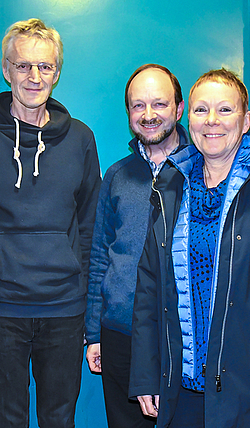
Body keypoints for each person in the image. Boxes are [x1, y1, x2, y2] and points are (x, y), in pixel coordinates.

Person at [129, 69, 250, 427]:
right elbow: (149, 284)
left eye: (225, 110)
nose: (211, 121)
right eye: (201, 110)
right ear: (189, 117)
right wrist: (144, 373)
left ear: (246, 120)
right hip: (181, 391)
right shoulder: (171, 183)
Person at [0, 18, 101, 428]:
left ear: (57, 71)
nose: (34, 77)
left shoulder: (81, 139)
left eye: (46, 67)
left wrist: (90, 308)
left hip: (64, 309)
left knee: (60, 419)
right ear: (6, 70)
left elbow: (90, 228)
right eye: (23, 66)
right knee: (7, 420)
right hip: (1, 310)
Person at [85, 64, 189, 428]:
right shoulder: (117, 175)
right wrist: (94, 333)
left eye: (159, 104)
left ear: (178, 109)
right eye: (138, 106)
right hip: (120, 336)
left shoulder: (204, 172)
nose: (148, 115)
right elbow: (99, 256)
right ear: (129, 113)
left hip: (182, 339)